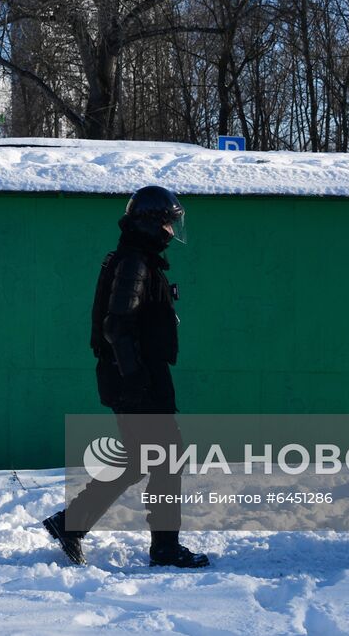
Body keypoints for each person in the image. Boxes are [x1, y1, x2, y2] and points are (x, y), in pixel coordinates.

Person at [41, 185, 209, 569]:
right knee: (167, 458)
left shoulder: (140, 259)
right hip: (137, 381)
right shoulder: (134, 262)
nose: (170, 231)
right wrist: (137, 382)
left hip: (136, 378)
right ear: (150, 223)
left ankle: (70, 524)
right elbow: (117, 325)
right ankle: (165, 547)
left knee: (139, 459)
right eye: (167, 223)